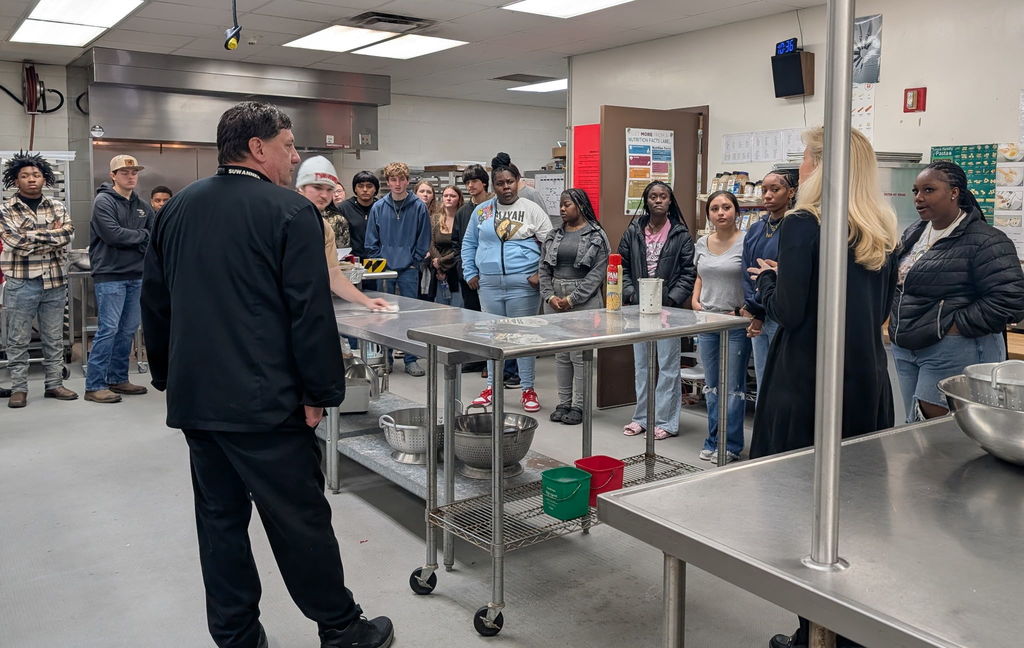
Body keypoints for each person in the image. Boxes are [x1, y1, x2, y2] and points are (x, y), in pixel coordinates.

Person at [140, 101, 394, 648]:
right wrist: (320, 391)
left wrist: (167, 375)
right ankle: (342, 627)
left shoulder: (175, 209)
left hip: (198, 400)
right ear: (258, 148)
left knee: (219, 521)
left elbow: (155, 303)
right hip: (265, 403)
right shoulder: (289, 212)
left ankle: (235, 636)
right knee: (298, 519)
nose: (295, 155)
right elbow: (308, 312)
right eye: (288, 145)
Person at [747, 127, 898, 648]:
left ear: (821, 165)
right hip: (864, 382)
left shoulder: (803, 225)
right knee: (853, 512)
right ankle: (849, 628)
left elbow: (789, 311)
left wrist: (766, 281)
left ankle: (812, 631)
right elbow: (879, 312)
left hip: (806, 381)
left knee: (802, 513)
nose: (800, 170)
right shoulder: (881, 226)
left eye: (805, 160)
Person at [889, 160, 1024, 422]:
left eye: (929, 190)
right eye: (915, 191)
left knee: (940, 432)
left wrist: (953, 326)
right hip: (907, 346)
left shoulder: (986, 239)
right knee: (913, 425)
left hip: (953, 346)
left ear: (954, 193)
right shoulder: (915, 233)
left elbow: (1011, 299)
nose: (919, 198)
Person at [463, 152, 552, 413]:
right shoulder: (482, 211)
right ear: (493, 186)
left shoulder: (531, 209)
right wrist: (470, 272)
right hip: (489, 285)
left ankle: (527, 388)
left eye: (510, 182)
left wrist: (540, 274)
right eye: (500, 183)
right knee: (493, 337)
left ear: (517, 181)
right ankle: (492, 385)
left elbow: (551, 244)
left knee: (524, 337)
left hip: (523, 284)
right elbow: (469, 243)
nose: (506, 187)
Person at [0, 152, 78, 408]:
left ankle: (54, 384)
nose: (31, 179)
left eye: (35, 175)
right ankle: (19, 388)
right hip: (21, 282)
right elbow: (14, 243)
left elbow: (67, 234)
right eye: (24, 176)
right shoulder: (5, 209)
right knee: (17, 337)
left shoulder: (58, 206)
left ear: (45, 178)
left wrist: (33, 236)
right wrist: (49, 236)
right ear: (16, 180)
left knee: (53, 336)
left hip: (55, 280)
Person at [619, 181, 696, 440]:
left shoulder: (681, 234)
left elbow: (688, 272)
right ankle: (641, 417)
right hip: (638, 308)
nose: (658, 200)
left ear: (670, 201)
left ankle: (666, 421)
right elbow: (624, 267)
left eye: (663, 196)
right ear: (646, 200)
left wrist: (672, 300)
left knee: (668, 367)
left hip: (668, 310)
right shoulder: (633, 231)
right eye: (653, 196)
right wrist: (630, 294)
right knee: (642, 366)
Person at [85, 154, 154, 404]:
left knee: (127, 330)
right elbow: (113, 235)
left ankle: (117, 378)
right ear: (113, 175)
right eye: (125, 173)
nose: (131, 176)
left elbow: (153, 237)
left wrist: (139, 237)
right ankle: (94, 385)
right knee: (108, 329)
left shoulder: (142, 205)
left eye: (134, 172)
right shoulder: (103, 202)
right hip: (110, 276)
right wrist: (141, 235)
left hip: (137, 275)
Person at [539, 188, 609, 424]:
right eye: (560, 204)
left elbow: (597, 273)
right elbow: (543, 269)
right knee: (561, 356)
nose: (562, 208)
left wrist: (572, 299)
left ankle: (579, 405)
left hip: (583, 301)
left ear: (580, 205)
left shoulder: (596, 235)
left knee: (579, 355)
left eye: (567, 204)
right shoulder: (553, 234)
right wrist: (550, 296)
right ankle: (564, 402)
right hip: (555, 299)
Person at [692, 191, 751, 461]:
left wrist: (743, 311)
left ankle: (731, 445)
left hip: (735, 323)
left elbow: (753, 280)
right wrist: (695, 299)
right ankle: (713, 439)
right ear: (709, 215)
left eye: (727, 207)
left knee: (733, 387)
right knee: (712, 386)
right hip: (707, 321)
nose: (721, 212)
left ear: (736, 211)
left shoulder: (746, 242)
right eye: (715, 208)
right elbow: (701, 275)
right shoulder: (702, 242)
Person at [295, 156, 389, 311]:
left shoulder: (325, 228)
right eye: (317, 188)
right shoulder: (282, 220)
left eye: (329, 189)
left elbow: (333, 275)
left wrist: (367, 302)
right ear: (301, 188)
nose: (324, 195)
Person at [365, 162, 431, 376]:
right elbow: (371, 241)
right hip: (384, 270)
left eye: (401, 179)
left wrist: (414, 260)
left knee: (409, 316)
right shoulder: (378, 207)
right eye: (393, 179)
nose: (397, 184)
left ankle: (411, 359)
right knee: (384, 316)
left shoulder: (418, 207)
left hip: (409, 269)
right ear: (388, 181)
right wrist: (380, 262)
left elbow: (424, 239)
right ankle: (386, 359)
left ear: (408, 180)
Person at [742, 169, 798, 397]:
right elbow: (747, 271)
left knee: (782, 380)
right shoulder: (756, 229)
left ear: (791, 192)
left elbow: (788, 274)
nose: (767, 195)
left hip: (779, 314)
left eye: (775, 190)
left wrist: (760, 311)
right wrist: (753, 307)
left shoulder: (795, 228)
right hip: (757, 314)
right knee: (763, 378)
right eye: (764, 190)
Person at [454, 164, 490, 374]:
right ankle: (475, 359)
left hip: (489, 274)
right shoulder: (463, 212)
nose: (470, 186)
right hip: (468, 274)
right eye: (467, 182)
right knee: (472, 318)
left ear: (484, 182)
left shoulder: (494, 207)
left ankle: (489, 362)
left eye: (474, 181)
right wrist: (466, 271)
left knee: (490, 320)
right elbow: (457, 243)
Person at [428, 185, 463, 306]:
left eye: (452, 196)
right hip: (439, 272)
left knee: (457, 308)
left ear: (459, 199)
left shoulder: (462, 219)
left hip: (456, 270)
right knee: (440, 310)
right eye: (446, 196)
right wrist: (438, 264)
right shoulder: (435, 219)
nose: (448, 198)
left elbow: (461, 247)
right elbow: (431, 243)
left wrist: (442, 262)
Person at [338, 170, 378, 261]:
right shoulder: (343, 208)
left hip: (377, 260)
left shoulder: (381, 207)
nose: (365, 190)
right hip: (352, 261)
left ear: (375, 189)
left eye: (369, 186)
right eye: (360, 186)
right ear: (355, 189)